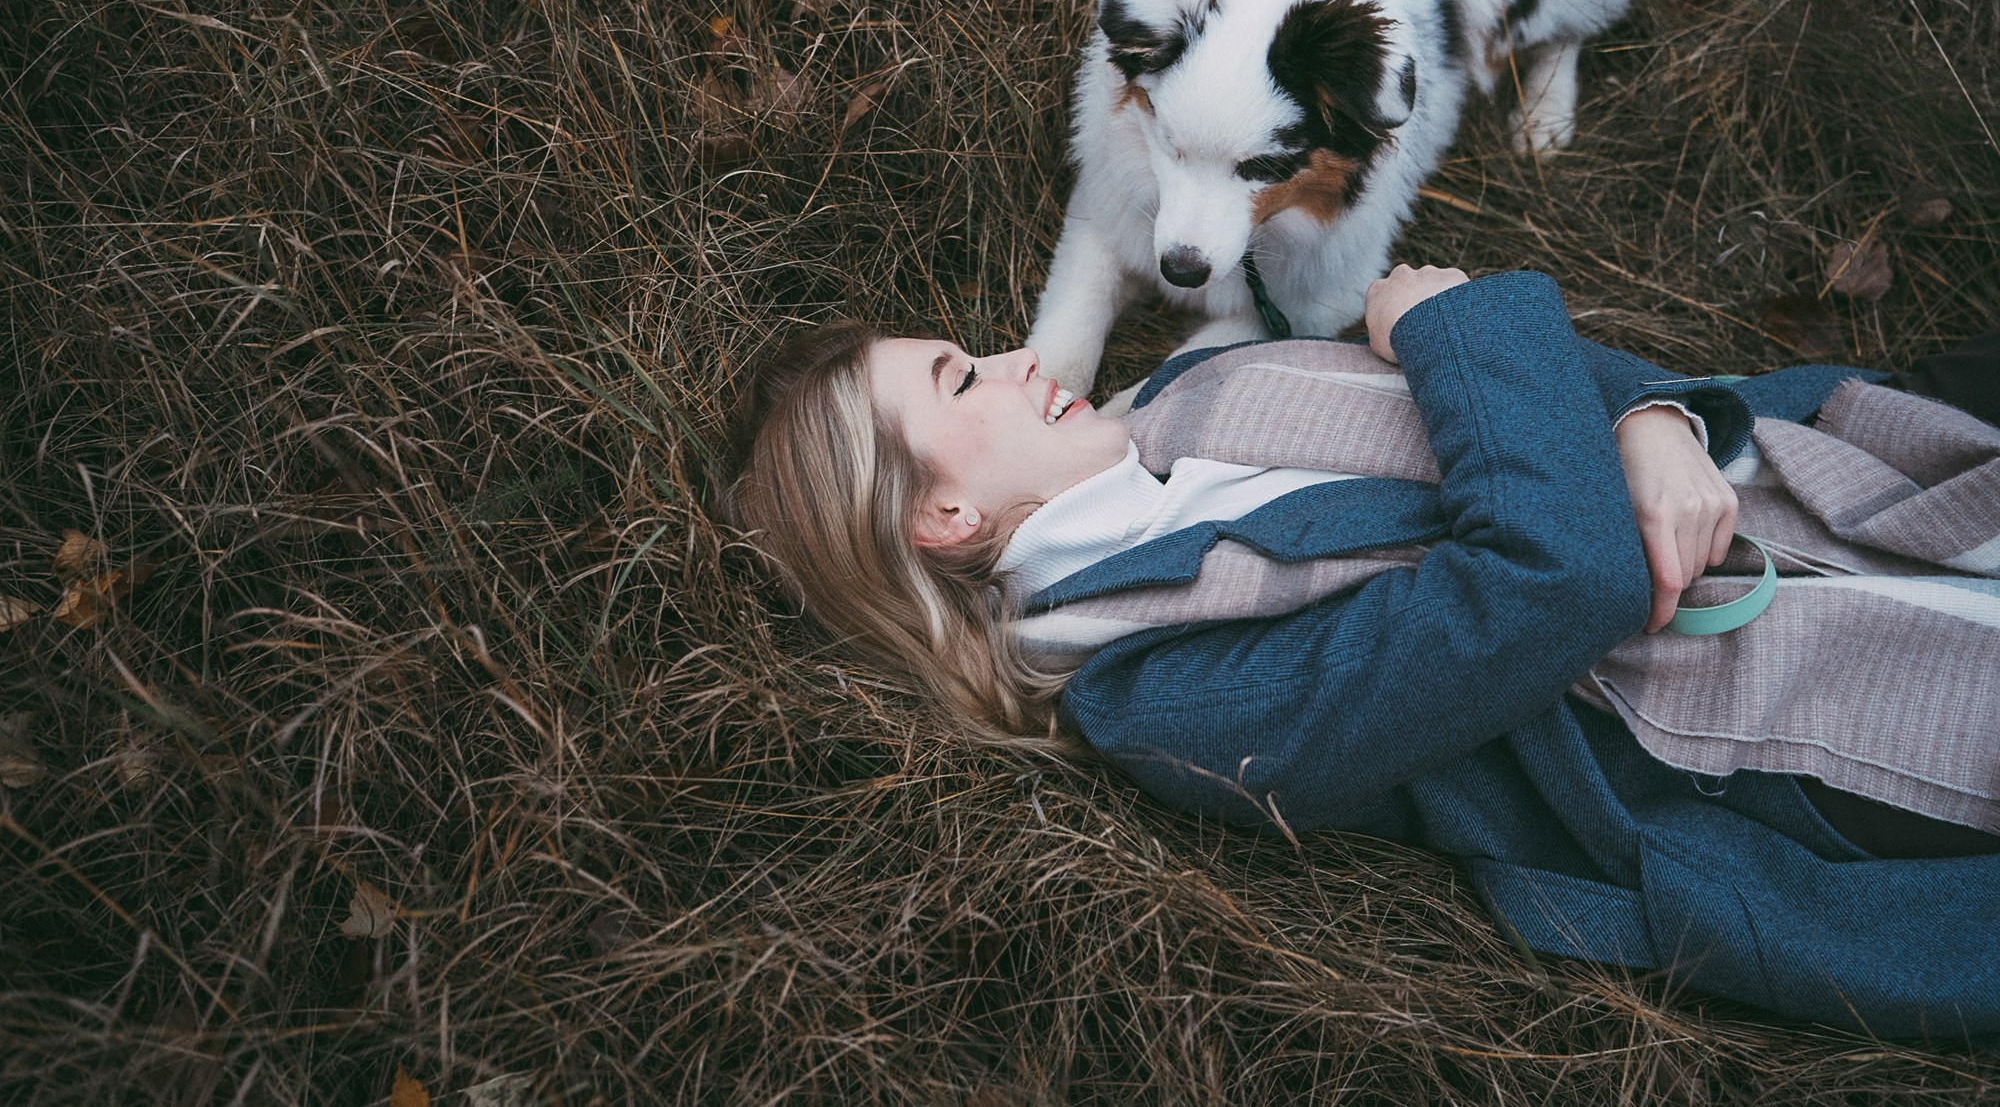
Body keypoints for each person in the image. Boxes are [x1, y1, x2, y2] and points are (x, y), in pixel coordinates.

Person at [728, 266, 2000, 1040]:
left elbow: (1548, 383)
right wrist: (1445, 323)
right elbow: (1549, 584)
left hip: (1797, 475)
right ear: (942, 518)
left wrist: (1652, 416)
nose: (1017, 361)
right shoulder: (1159, 695)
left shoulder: (1191, 388)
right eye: (960, 381)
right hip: (1759, 734)